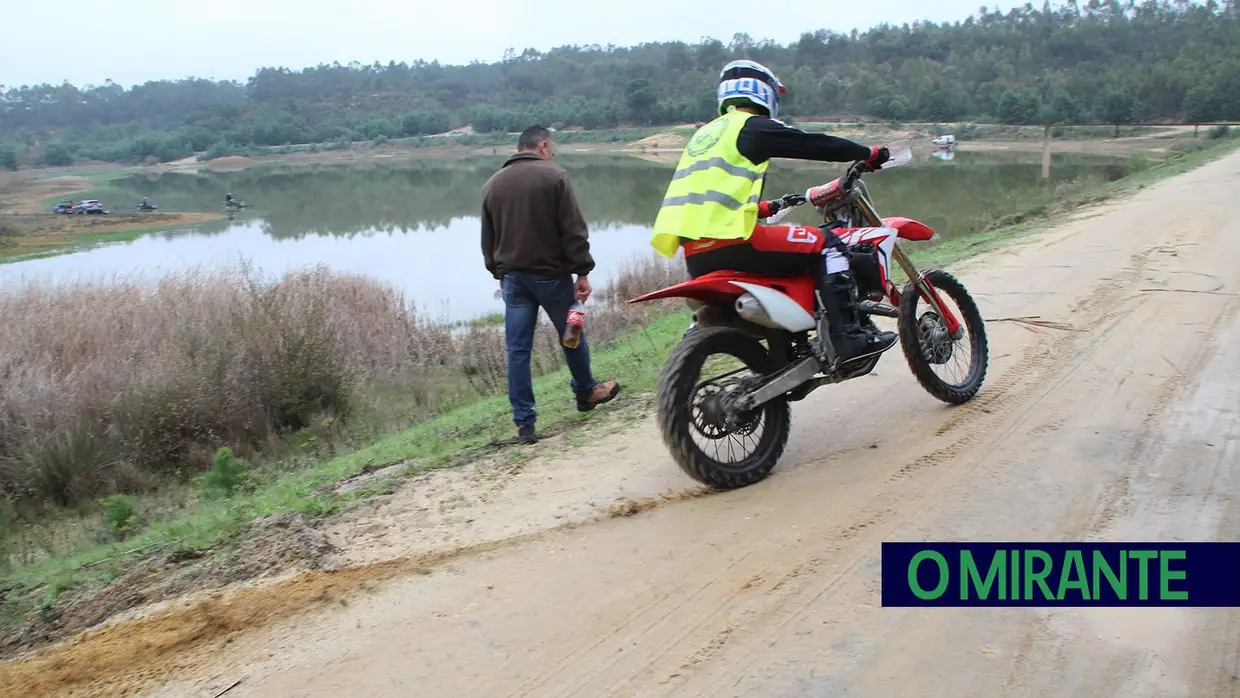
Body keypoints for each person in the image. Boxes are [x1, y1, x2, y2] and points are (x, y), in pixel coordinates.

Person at [650, 60, 898, 366]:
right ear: (763, 92)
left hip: (697, 252)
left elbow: (709, 195)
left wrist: (765, 207)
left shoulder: (705, 136)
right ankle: (850, 339)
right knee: (829, 244)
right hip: (737, 243)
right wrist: (867, 153)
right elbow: (814, 144)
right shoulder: (750, 126)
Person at [481, 125, 622, 445]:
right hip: (552, 279)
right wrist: (582, 271)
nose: (554, 154)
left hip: (514, 282)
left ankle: (524, 424)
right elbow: (572, 230)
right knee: (571, 335)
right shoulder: (555, 176)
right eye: (553, 148)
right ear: (542, 145)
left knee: (517, 351)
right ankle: (587, 392)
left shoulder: (491, 186)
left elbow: (487, 241)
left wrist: (497, 272)